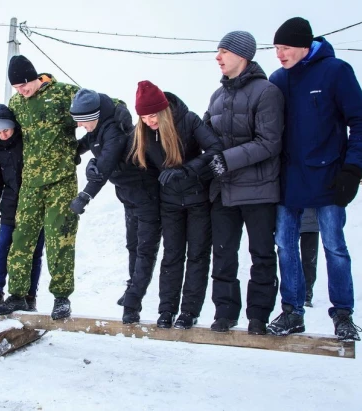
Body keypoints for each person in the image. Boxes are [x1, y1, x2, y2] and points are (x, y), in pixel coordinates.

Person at [267, 18, 362, 341]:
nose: (279, 54)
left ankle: (343, 314)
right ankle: (292, 311)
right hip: (289, 180)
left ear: (303, 45)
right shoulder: (278, 80)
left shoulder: (336, 72)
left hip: (329, 179)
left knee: (334, 246)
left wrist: (352, 169)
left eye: (285, 48)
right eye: (276, 49)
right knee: (285, 245)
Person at [203, 31, 284, 334]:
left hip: (259, 189)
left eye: (223, 51)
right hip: (223, 190)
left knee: (261, 254)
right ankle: (225, 313)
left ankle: (258, 316)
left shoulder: (267, 92)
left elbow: (269, 142)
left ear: (242, 55)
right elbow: (205, 135)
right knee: (223, 254)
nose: (218, 57)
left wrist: (227, 159)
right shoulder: (217, 96)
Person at [0, 55, 79, 320]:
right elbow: (3, 128)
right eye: (16, 87)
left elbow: (103, 107)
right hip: (30, 183)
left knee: (59, 239)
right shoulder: (16, 102)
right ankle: (17, 294)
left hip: (60, 181)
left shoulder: (64, 93)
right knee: (21, 239)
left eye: (23, 85)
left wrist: (83, 147)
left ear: (33, 77)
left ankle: (61, 297)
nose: (21, 90)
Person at [131, 81, 222, 329]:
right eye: (143, 117)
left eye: (152, 116)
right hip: (169, 203)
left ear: (162, 110)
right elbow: (124, 156)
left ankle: (189, 311)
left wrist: (186, 171)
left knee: (197, 255)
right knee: (171, 256)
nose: (149, 121)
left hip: (198, 200)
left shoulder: (188, 120)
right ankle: (166, 310)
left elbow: (215, 148)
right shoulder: (143, 132)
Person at [68, 88, 162, 324]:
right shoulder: (97, 128)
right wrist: (76, 156)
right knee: (133, 245)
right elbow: (82, 147)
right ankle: (132, 288)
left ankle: (133, 303)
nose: (81, 126)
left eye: (83, 121)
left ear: (95, 115)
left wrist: (85, 196)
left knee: (145, 250)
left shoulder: (114, 131)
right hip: (129, 196)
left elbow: (106, 165)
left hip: (147, 195)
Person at [0, 104, 45, 313]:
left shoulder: (27, 143)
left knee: (34, 251)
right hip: (10, 205)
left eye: (6, 130)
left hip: (34, 203)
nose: (3, 135)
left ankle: (30, 296)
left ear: (14, 126)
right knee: (3, 247)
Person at [300, 208, 319, 307]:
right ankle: (296, 293)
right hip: (291, 217)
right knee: (289, 258)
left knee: (309, 260)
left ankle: (306, 293)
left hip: (311, 222)